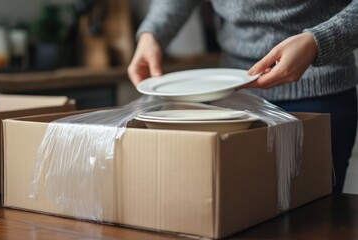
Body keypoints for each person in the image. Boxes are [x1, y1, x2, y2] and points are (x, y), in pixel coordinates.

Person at [127, 0, 358, 194]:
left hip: (317, 92)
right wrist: (152, 33)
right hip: (230, 97)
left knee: (311, 222)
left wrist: (317, 42)